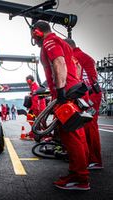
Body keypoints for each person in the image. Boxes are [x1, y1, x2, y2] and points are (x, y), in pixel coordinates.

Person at [31, 21, 90, 190]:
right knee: (76, 135)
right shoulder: (62, 42)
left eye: (33, 37)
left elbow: (59, 63)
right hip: (72, 92)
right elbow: (76, 67)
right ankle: (79, 173)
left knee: (70, 137)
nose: (34, 40)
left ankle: (80, 178)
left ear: (37, 33)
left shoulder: (50, 42)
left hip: (66, 95)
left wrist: (61, 91)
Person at [65, 38, 103, 170]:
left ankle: (95, 160)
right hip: (92, 95)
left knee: (89, 128)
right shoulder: (85, 56)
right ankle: (89, 158)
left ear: (68, 47)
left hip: (89, 96)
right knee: (87, 127)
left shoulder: (75, 57)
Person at [24, 75, 46, 139]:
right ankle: (35, 133)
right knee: (39, 121)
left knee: (32, 118)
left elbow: (36, 100)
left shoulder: (34, 87)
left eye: (27, 81)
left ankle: (42, 134)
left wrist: (32, 109)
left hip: (38, 107)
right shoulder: (33, 87)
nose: (27, 82)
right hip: (38, 107)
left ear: (29, 80)